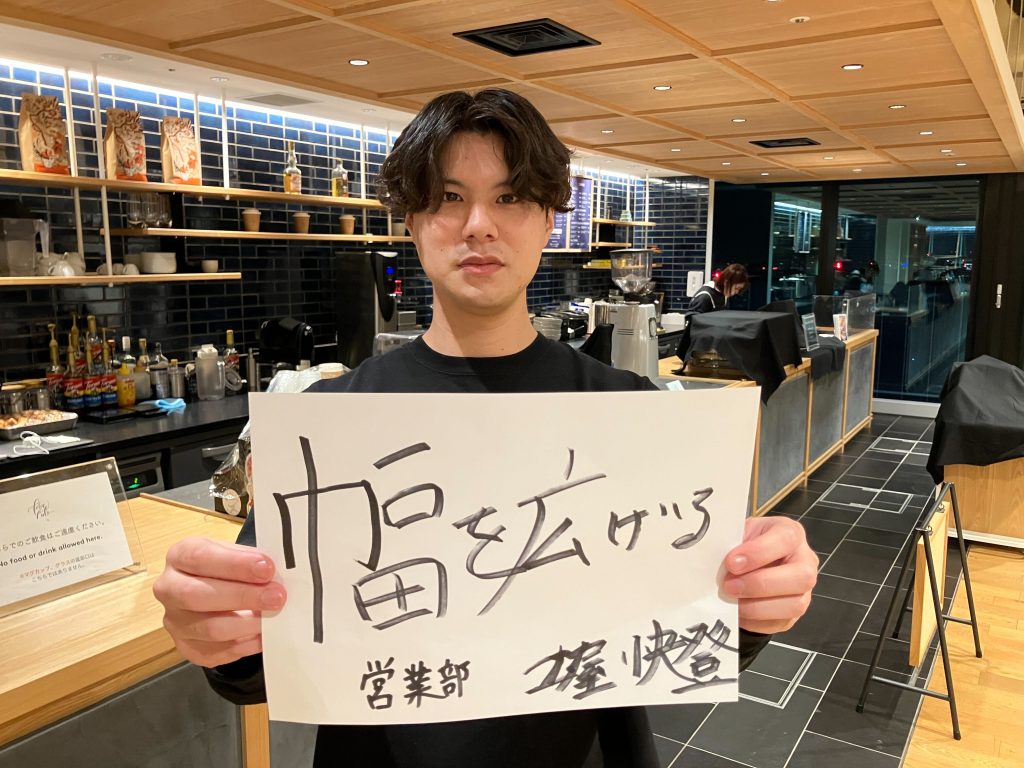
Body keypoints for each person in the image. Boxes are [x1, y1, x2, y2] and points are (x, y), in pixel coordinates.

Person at [153, 89, 818, 768]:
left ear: (549, 218)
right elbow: (255, 663)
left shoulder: (629, 413)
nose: (478, 225)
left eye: (510, 197)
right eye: (448, 197)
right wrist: (216, 628)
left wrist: (754, 599)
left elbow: (691, 621)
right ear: (412, 220)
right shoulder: (332, 423)